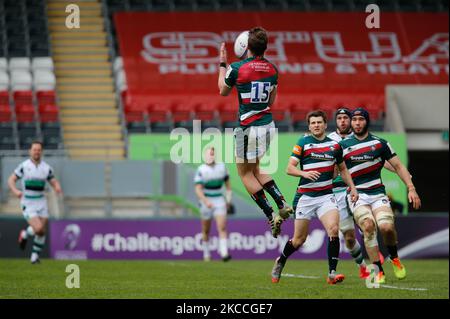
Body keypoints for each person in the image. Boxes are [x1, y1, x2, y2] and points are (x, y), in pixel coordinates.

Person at [217, 26, 293, 239]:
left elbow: (222, 90)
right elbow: (271, 100)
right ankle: (282, 202)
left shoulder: (237, 68)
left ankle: (271, 214)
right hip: (268, 125)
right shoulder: (273, 69)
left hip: (247, 127)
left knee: (244, 173)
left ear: (246, 46)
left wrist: (222, 64)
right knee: (257, 168)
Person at [271, 110, 359, 285]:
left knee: (334, 229)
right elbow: (289, 168)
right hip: (306, 197)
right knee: (299, 240)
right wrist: (304, 172)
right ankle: (280, 261)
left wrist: (353, 188)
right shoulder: (303, 142)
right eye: (313, 123)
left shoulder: (334, 146)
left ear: (325, 125)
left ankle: (332, 274)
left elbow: (342, 169)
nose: (316, 125)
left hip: (326, 196)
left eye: (319, 122)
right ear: (309, 126)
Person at [340, 107, 421, 283]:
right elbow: (338, 171)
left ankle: (395, 258)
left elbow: (399, 166)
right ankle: (378, 270)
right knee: (368, 227)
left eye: (361, 120)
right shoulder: (342, 146)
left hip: (377, 193)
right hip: (357, 195)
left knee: (386, 228)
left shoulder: (380, 143)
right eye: (354, 120)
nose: (357, 123)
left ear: (367, 121)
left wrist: (411, 187)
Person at [8, 141, 62, 264]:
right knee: (38, 228)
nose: (36, 152)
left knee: (42, 231)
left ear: (41, 152)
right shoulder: (24, 166)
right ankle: (25, 234)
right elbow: (11, 180)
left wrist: (57, 187)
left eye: (38, 150)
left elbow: (53, 181)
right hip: (28, 202)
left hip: (41, 202)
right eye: (34, 149)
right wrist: (15, 191)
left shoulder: (46, 168)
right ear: (30, 151)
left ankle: (34, 257)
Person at [194, 147, 232, 262]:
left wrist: (228, 200)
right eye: (208, 154)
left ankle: (224, 253)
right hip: (206, 200)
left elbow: (228, 186)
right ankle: (206, 253)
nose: (210, 156)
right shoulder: (201, 169)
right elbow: (198, 189)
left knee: (222, 227)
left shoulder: (222, 167)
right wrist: (206, 201)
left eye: (212, 154)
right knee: (206, 229)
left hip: (219, 199)